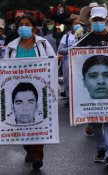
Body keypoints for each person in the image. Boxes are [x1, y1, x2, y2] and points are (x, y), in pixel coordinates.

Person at [4, 14, 56, 170]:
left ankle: (37, 155)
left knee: (39, 122)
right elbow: (5, 68)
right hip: (17, 89)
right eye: (21, 24)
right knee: (21, 124)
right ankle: (29, 150)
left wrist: (56, 60)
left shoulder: (43, 43)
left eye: (27, 24)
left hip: (40, 89)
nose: (23, 27)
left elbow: (52, 61)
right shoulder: (11, 46)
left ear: (34, 28)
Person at [76, 6, 108, 168]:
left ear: (106, 20)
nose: (97, 23)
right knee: (95, 121)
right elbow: (76, 61)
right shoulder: (84, 40)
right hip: (92, 90)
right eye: (95, 20)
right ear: (91, 21)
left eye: (100, 20)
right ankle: (100, 148)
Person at [58, 17, 81, 108]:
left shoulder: (82, 35)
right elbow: (60, 50)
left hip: (79, 61)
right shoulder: (66, 36)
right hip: (68, 61)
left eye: (79, 23)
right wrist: (72, 49)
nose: (78, 25)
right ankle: (68, 98)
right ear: (71, 26)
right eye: (76, 23)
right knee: (67, 81)